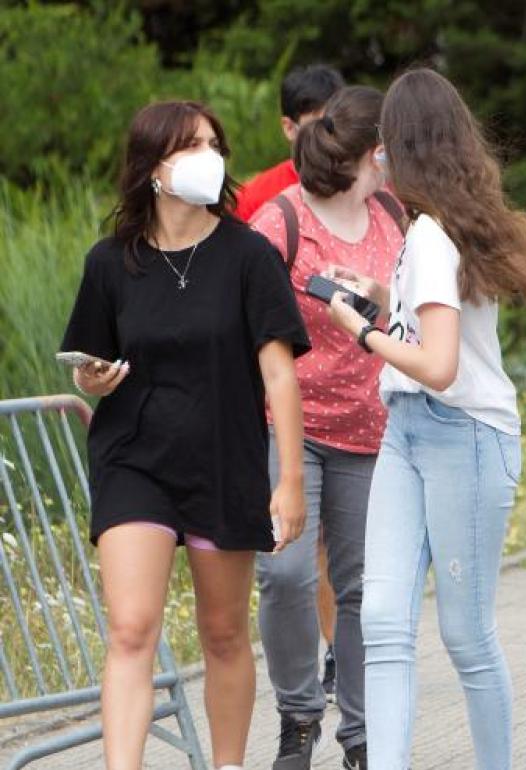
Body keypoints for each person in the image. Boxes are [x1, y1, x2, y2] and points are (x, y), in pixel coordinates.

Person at [59, 101, 310, 770]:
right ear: (152, 168)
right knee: (131, 628)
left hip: (224, 459)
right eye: (189, 146)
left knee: (224, 632)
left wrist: (288, 479)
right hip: (133, 459)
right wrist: (93, 380)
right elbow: (88, 364)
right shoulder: (110, 262)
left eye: (213, 144)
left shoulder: (249, 255)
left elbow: (280, 377)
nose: (209, 156)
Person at [323, 68, 526, 769]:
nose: (377, 158)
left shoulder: (431, 234)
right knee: (383, 621)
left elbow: (439, 365)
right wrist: (377, 295)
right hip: (407, 430)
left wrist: (358, 330)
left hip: (464, 436)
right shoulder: (440, 226)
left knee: (465, 634)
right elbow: (435, 321)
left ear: (397, 146)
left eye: (382, 144)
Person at [248, 86, 405, 770]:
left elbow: (424, 309)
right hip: (291, 427)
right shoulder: (280, 222)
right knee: (283, 573)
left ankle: (365, 737)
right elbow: (243, 323)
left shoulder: (393, 214)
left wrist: (380, 298)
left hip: (372, 432)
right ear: (376, 150)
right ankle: (300, 715)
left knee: (363, 587)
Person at [234, 63, 346, 698]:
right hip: (279, 395)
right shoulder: (259, 199)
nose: (326, 141)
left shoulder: (366, 189)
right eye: (313, 128)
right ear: (287, 128)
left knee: (336, 544)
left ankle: (336, 652)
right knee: (290, 551)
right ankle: (301, 673)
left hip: (350, 396)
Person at [235, 65, 345, 223]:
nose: (330, 134)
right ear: (289, 128)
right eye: (319, 125)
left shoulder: (362, 187)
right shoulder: (254, 198)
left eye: (339, 123)